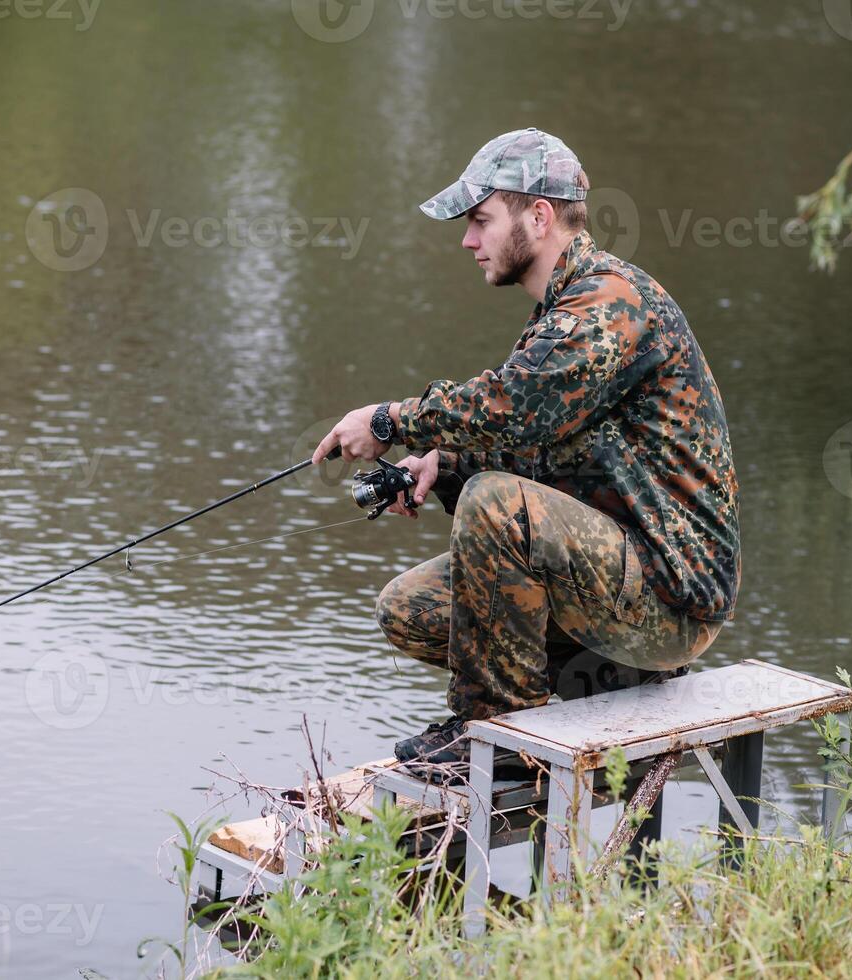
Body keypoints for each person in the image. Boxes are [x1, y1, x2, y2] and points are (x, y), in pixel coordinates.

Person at [310, 128, 740, 774]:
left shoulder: (608, 304)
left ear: (538, 218)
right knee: (408, 610)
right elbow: (542, 452)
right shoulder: (560, 313)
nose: (468, 240)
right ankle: (592, 685)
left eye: (481, 220)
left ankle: (499, 738)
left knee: (493, 506)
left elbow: (511, 406)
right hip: (617, 576)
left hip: (673, 599)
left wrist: (389, 421)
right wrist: (441, 469)